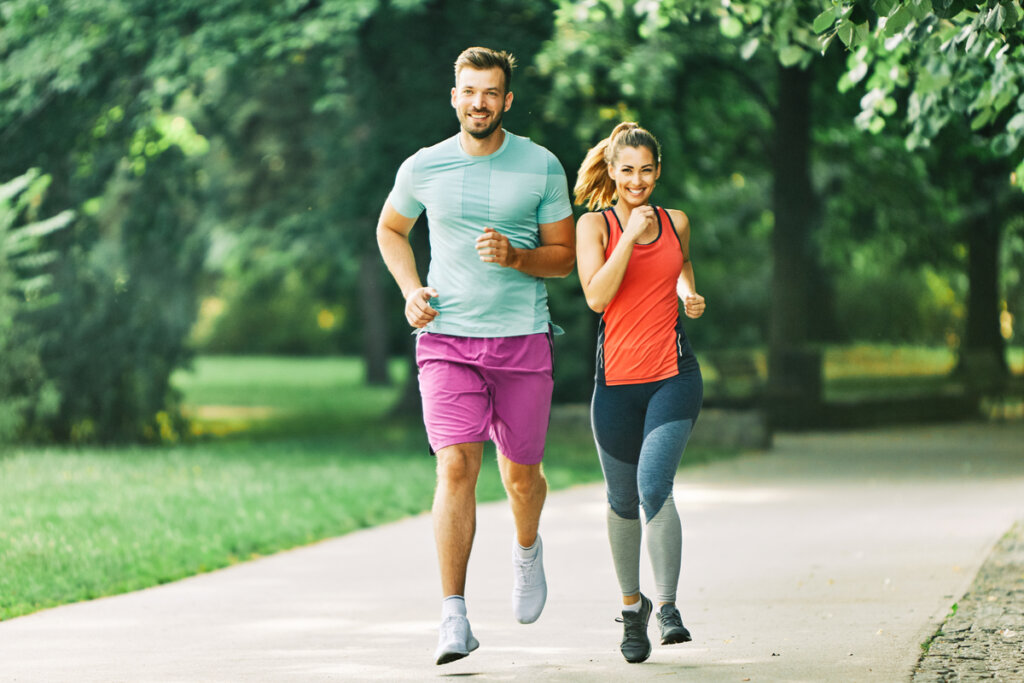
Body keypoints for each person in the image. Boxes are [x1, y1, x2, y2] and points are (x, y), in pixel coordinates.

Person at [375, 46, 575, 665]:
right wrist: (412, 292)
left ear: (506, 100)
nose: (479, 102)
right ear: (454, 95)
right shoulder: (424, 167)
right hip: (446, 340)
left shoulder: (541, 166)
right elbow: (390, 229)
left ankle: (525, 550)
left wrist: (516, 257)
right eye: (469, 91)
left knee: (520, 476)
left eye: (491, 92)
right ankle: (453, 616)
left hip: (521, 337)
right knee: (456, 466)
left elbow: (564, 257)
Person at [573, 122, 706, 663]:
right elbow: (596, 297)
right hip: (616, 389)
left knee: (655, 485)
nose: (637, 180)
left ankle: (669, 607)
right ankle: (634, 609)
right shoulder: (594, 226)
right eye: (627, 170)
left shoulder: (676, 222)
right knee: (620, 501)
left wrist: (689, 292)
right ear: (611, 170)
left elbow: (679, 266)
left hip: (673, 376)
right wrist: (628, 236)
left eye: (647, 170)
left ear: (658, 171)